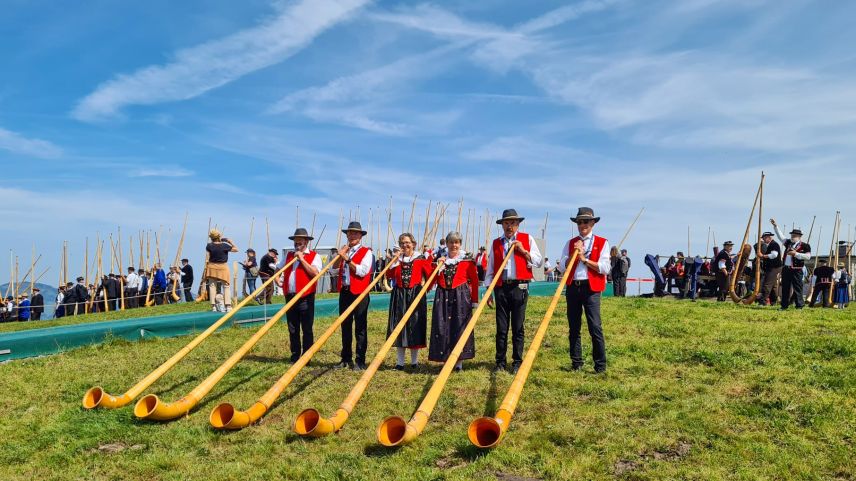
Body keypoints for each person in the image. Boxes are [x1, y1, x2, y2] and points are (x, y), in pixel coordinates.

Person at [484, 209, 542, 374]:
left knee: (518, 326)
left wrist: (523, 251)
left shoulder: (526, 239)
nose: (510, 226)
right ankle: (500, 362)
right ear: (502, 225)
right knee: (501, 327)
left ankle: (517, 362)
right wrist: (488, 290)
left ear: (518, 225)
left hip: (520, 287)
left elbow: (538, 262)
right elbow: (490, 269)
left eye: (513, 223)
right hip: (501, 287)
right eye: (507, 223)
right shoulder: (496, 243)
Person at [557, 207, 610, 374]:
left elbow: (605, 267)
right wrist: (574, 253)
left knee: (595, 327)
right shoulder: (570, 243)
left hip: (591, 288)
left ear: (593, 223)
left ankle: (600, 366)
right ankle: (576, 362)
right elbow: (560, 266)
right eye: (579, 222)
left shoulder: (602, 242)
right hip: (573, 287)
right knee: (574, 327)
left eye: (586, 221)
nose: (582, 225)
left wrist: (584, 259)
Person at [429, 231, 479, 371]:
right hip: (442, 295)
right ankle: (445, 359)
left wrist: (474, 300)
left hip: (461, 296)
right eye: (451, 242)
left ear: (460, 244)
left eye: (456, 242)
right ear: (447, 244)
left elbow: (474, 281)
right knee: (442, 326)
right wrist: (437, 267)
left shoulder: (467, 260)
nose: (453, 245)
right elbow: (431, 280)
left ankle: (458, 363)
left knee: (459, 326)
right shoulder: (440, 260)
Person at [386, 232, 433, 370]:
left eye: (407, 242)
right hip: (399, 295)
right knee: (399, 326)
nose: (405, 245)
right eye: (402, 243)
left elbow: (430, 276)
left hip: (415, 295)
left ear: (413, 244)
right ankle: (400, 363)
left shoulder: (420, 259)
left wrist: (424, 291)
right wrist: (393, 261)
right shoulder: (397, 260)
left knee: (415, 326)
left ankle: (414, 362)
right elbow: (388, 275)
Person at [334, 221, 374, 371]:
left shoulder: (366, 252)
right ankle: (345, 358)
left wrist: (347, 259)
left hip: (359, 293)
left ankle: (360, 360)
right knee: (345, 325)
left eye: (355, 233)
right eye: (349, 233)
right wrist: (340, 255)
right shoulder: (345, 250)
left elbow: (362, 271)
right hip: (345, 291)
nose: (352, 235)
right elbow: (333, 267)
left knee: (360, 326)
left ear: (360, 236)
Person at [280, 228, 323, 362]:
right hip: (290, 295)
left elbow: (315, 273)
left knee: (306, 328)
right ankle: (295, 355)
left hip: (305, 296)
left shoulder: (314, 256)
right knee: (292, 328)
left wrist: (302, 260)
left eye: (300, 241)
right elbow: (278, 268)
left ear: (306, 242)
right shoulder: (288, 256)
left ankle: (306, 356)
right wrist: (278, 281)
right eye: (295, 241)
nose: (297, 244)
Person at [771, 219, 811, 310]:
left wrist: (796, 254)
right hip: (786, 269)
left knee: (798, 288)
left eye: (794, 235)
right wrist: (775, 226)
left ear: (799, 237)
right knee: (785, 288)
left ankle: (799, 306)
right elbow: (780, 236)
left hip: (797, 269)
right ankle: (784, 306)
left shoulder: (805, 246)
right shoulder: (788, 243)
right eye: (792, 235)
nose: (792, 237)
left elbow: (808, 257)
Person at [205, 229, 239, 312]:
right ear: (219, 236)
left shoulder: (209, 245)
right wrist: (230, 241)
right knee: (226, 286)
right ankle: (228, 305)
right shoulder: (224, 245)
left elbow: (209, 255)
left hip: (212, 266)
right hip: (223, 267)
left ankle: (213, 306)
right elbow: (236, 249)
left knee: (212, 286)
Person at [758, 231, 782, 306]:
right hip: (773, 267)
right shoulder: (771, 245)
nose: (764, 239)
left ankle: (763, 302)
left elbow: (774, 255)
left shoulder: (774, 244)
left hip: (773, 268)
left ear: (769, 237)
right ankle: (773, 301)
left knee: (767, 284)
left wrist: (762, 256)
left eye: (764, 238)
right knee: (773, 286)